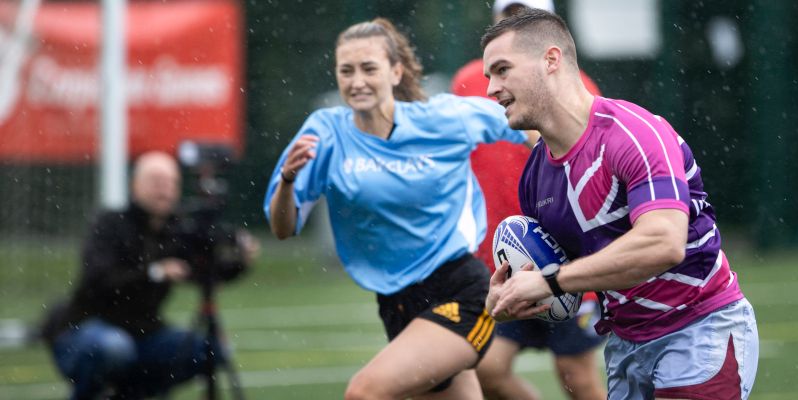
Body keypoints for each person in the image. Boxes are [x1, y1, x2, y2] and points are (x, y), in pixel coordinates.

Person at [481, 9, 758, 400]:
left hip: (699, 326)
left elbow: (663, 242)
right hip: (625, 345)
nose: (491, 88)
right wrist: (514, 295)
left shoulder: (633, 134)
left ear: (551, 60)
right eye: (488, 76)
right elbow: (564, 282)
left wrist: (550, 281)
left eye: (502, 69)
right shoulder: (535, 178)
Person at [264, 18, 529, 400]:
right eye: (346, 70)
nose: (357, 81)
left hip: (459, 289)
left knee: (364, 392)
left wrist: (564, 180)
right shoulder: (325, 131)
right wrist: (288, 182)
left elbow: (529, 124)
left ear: (395, 71)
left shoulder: (442, 118)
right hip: (396, 302)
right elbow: (283, 228)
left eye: (369, 68)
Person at [451, 1, 606, 399]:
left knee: (577, 375)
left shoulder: (579, 85)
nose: (514, 23)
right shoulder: (472, 82)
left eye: (526, 14)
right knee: (487, 369)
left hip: (567, 255)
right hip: (499, 260)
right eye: (508, 13)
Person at [41, 151, 255, 400]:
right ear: (134, 185)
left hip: (144, 335)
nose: (164, 189)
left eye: (171, 182)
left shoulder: (175, 231)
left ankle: (129, 395)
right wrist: (155, 272)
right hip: (86, 327)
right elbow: (99, 279)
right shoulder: (110, 223)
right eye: (156, 181)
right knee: (114, 348)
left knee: (209, 350)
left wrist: (239, 261)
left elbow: (204, 274)